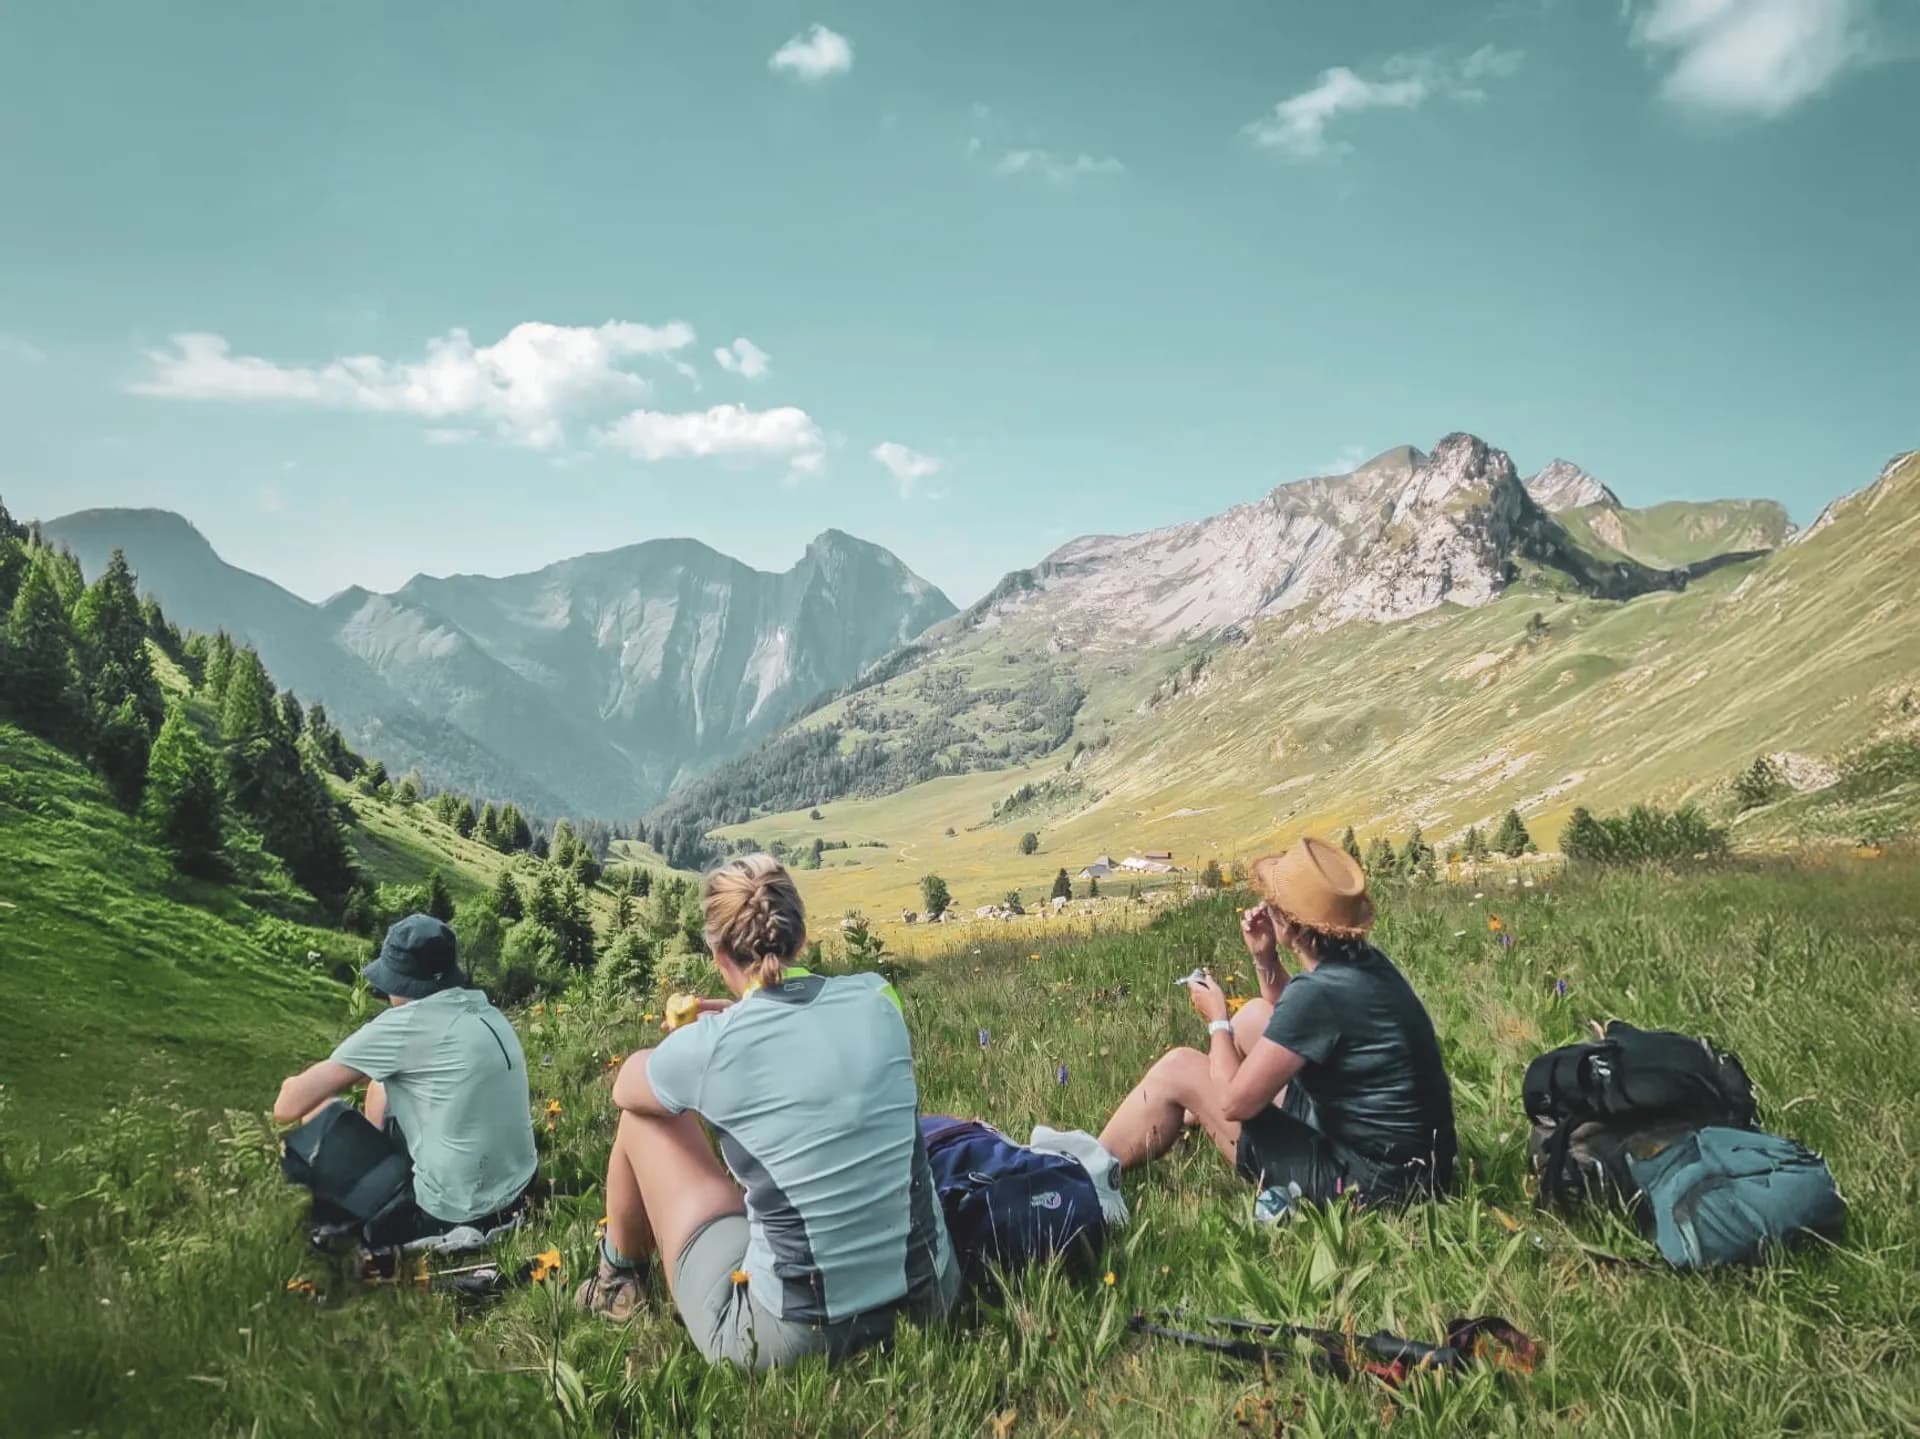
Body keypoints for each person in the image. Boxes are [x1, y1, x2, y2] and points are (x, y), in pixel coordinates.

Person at [577, 854, 959, 1371]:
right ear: (799, 937)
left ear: (718, 954)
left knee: (642, 1119)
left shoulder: (712, 1046)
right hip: (930, 1301)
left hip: (793, 1338)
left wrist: (696, 1039)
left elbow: (626, 1087)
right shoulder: (877, 995)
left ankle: (615, 1279)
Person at [1097, 836, 1455, 1214]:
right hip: (1418, 1168)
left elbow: (1236, 1103)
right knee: (1253, 1015)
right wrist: (1264, 956)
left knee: (1180, 1068)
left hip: (1371, 1188)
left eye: (1273, 902)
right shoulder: (1364, 965)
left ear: (1293, 924)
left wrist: (1217, 1020)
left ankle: (1085, 1172)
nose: (1265, 906)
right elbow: (1296, 1019)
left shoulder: (1319, 993)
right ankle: (1182, 1117)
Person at [273, 913, 538, 1244]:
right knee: (380, 1085)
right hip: (519, 1190)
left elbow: (286, 1106)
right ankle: (389, 1175)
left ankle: (370, 1209)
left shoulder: (403, 1025)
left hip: (448, 1213)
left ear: (399, 981)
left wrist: (293, 1084)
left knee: (320, 1110)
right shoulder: (483, 1009)